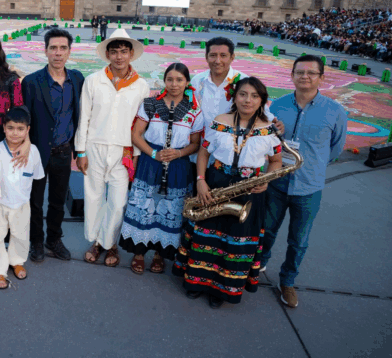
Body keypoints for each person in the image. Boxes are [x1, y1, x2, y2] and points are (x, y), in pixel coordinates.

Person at [173, 77, 283, 308]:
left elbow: (276, 161)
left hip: (250, 190)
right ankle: (196, 283)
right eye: (243, 94)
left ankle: (221, 291)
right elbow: (203, 153)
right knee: (206, 234)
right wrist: (201, 181)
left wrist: (266, 181)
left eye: (254, 96)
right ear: (234, 96)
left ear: (262, 100)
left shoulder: (269, 127)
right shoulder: (220, 121)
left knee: (235, 242)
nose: (248, 100)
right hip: (215, 184)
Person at [260, 55, 347, 308]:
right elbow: (267, 141)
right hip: (277, 182)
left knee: (299, 240)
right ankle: (258, 265)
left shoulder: (334, 111)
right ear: (292, 75)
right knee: (267, 229)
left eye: (311, 73)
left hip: (309, 187)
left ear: (321, 77)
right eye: (300, 72)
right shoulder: (277, 106)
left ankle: (287, 281)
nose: (305, 77)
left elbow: (335, 149)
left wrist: (313, 167)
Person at [75, 28, 150, 267]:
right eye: (115, 52)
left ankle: (111, 243)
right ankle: (98, 244)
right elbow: (84, 117)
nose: (119, 57)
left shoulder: (141, 86)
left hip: (124, 151)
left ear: (131, 54)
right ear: (107, 54)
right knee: (94, 197)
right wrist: (81, 151)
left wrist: (137, 154)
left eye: (124, 52)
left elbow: (141, 125)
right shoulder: (93, 80)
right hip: (94, 146)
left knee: (118, 203)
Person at [120, 63, 203, 274]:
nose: (174, 84)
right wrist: (154, 153)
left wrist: (178, 153)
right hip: (151, 161)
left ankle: (160, 254)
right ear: (164, 81)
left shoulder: (194, 109)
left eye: (179, 80)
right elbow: (136, 135)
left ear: (187, 83)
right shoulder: (150, 103)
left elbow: (195, 143)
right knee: (144, 207)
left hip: (178, 164)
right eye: (170, 79)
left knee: (170, 210)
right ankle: (139, 253)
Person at [21, 28, 84, 262]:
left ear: (69, 51)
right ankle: (36, 241)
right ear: (45, 50)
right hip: (37, 152)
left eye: (63, 48)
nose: (58, 53)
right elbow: (24, 119)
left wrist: (79, 149)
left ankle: (54, 239)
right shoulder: (31, 82)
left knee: (58, 201)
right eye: (53, 48)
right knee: (35, 201)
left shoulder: (77, 79)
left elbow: (80, 114)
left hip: (63, 151)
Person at [0, 107, 44, 289]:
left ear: (28, 130)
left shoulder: (33, 151)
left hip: (21, 203)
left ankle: (17, 260)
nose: (15, 133)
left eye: (20, 129)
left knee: (20, 234)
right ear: (3, 128)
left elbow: (36, 178)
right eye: (10, 128)